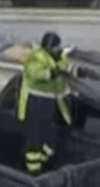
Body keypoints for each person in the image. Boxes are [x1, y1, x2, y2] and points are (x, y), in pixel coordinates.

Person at [18, 32, 73, 175]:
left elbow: (65, 68)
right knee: (36, 140)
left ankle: (42, 163)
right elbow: (36, 74)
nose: (56, 50)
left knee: (51, 138)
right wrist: (52, 73)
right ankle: (33, 171)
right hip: (37, 103)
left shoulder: (60, 57)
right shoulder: (36, 57)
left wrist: (62, 63)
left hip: (54, 103)